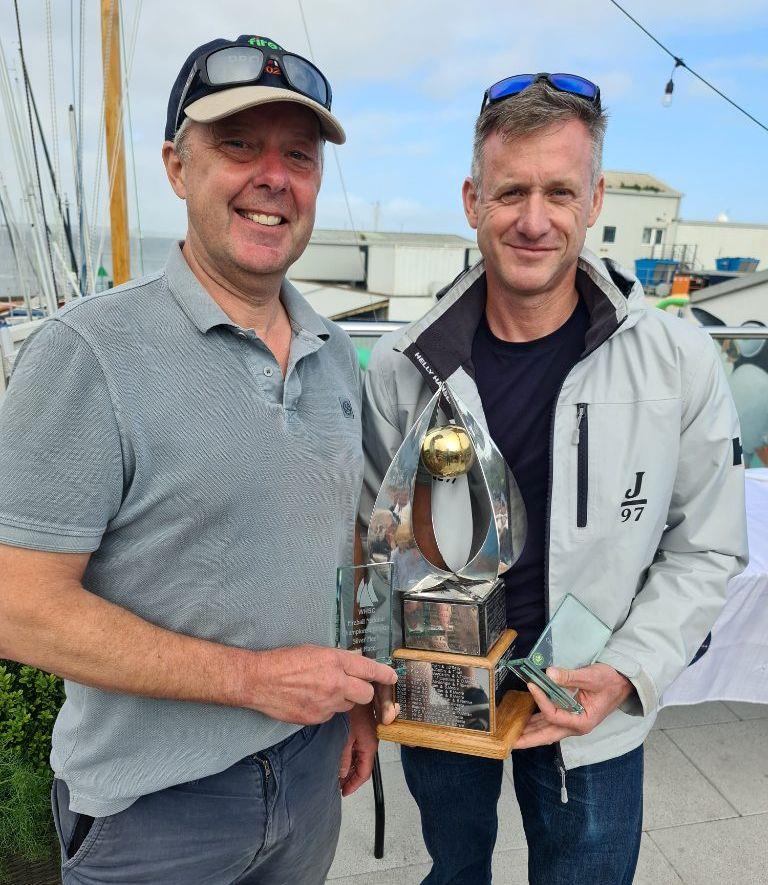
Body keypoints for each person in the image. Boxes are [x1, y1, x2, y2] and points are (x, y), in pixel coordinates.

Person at [0, 34, 397, 884]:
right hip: (155, 814)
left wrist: (358, 701)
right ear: (178, 167)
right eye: (238, 145)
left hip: (309, 776)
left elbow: (339, 545)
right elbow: (15, 604)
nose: (274, 176)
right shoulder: (89, 351)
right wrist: (253, 679)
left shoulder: (332, 353)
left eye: (298, 154)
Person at [360, 73, 748, 885]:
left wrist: (629, 671)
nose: (534, 220)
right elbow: (371, 541)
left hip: (588, 696)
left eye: (560, 191)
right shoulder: (404, 367)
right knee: (453, 869)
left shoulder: (678, 363)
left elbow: (707, 547)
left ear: (596, 197)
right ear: (472, 200)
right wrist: (373, 671)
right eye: (511, 192)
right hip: (444, 686)